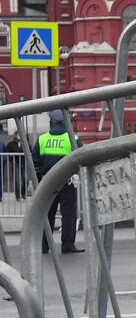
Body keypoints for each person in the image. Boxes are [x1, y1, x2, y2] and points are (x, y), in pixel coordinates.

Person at [33, 109, 83, 254]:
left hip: (48, 182)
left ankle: (44, 246)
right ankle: (67, 246)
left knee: (47, 214)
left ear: (51, 122)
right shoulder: (73, 138)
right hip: (68, 181)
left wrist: (39, 180)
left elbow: (35, 161)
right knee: (68, 214)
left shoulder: (42, 139)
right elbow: (82, 156)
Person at [4, 133, 25, 200]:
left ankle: (23, 193)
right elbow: (7, 153)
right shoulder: (11, 144)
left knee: (26, 179)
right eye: (18, 134)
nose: (19, 136)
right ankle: (18, 195)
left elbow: (30, 150)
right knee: (17, 180)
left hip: (24, 163)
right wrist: (11, 160)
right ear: (15, 135)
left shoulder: (25, 143)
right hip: (16, 163)